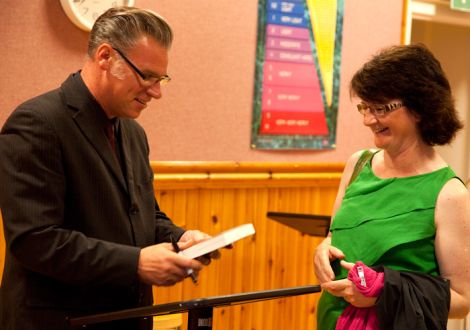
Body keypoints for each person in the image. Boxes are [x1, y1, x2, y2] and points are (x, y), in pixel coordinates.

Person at [0, 7, 217, 330]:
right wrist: (137, 263)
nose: (156, 92)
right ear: (105, 57)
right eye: (146, 76)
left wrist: (181, 237)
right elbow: (35, 241)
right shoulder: (37, 123)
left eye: (161, 79)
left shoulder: (132, 132)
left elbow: (144, 216)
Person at [314, 43, 470, 329]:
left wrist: (383, 293)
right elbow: (337, 236)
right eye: (365, 106)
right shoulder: (357, 165)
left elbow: (461, 300)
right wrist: (323, 250)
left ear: (421, 108)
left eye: (381, 108)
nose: (368, 119)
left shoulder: (450, 194)